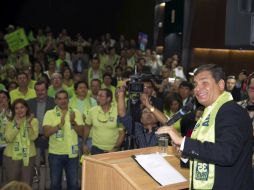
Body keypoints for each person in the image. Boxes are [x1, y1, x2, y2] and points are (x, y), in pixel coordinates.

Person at [156, 64, 254, 189]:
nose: (197, 88)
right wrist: (185, 154)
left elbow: (227, 153)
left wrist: (184, 142)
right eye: (196, 84)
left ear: (221, 85)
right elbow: (210, 155)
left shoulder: (231, 111)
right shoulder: (209, 113)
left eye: (204, 82)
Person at [43, 90, 84, 190]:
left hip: (72, 154)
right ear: (55, 101)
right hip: (55, 154)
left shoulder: (76, 112)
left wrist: (73, 122)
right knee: (55, 185)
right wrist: (59, 126)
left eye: (65, 98)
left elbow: (82, 133)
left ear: (68, 100)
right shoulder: (50, 113)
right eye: (60, 99)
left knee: (73, 185)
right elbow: (46, 133)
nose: (63, 101)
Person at [3, 99, 39, 186]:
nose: (20, 110)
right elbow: (8, 138)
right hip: (11, 157)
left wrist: (27, 124)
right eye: (16, 108)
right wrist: (17, 126)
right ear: (13, 110)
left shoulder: (33, 121)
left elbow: (33, 137)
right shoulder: (9, 121)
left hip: (28, 156)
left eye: (22, 107)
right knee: (11, 184)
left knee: (26, 184)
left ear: (26, 108)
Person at [83, 88, 125, 155]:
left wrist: (115, 148)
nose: (98, 98)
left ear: (108, 99)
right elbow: (87, 127)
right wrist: (84, 144)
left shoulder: (118, 111)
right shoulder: (92, 111)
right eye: (98, 95)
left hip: (113, 149)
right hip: (96, 148)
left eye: (101, 96)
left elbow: (122, 133)